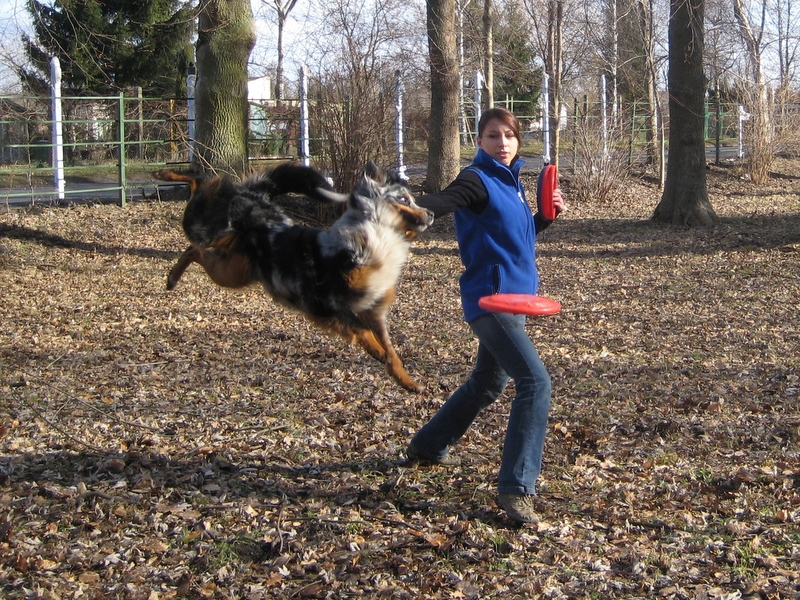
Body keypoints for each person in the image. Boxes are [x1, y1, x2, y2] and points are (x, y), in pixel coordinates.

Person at [406, 107, 565, 524]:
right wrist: (412, 207)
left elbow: (516, 238)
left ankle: (427, 445)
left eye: (509, 136)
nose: (503, 143)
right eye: (493, 136)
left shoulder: (511, 183)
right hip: (491, 301)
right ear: (480, 141)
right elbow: (446, 200)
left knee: (488, 382)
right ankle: (516, 489)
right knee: (534, 381)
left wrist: (544, 219)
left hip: (515, 299)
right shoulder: (476, 179)